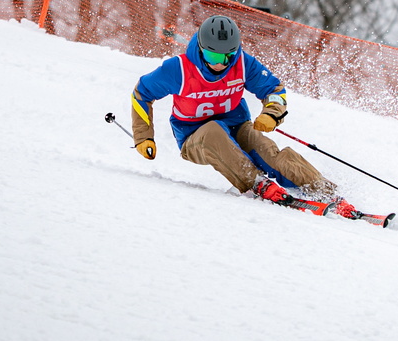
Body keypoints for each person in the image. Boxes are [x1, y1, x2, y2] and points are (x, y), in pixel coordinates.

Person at [130, 14, 360, 219]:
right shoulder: (178, 69)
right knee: (213, 132)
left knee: (264, 147)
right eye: (212, 55)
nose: (220, 64)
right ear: (201, 48)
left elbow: (274, 90)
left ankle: (324, 191)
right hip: (195, 139)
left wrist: (271, 114)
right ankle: (257, 183)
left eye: (227, 56)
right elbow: (142, 93)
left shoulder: (242, 63)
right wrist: (143, 137)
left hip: (237, 127)